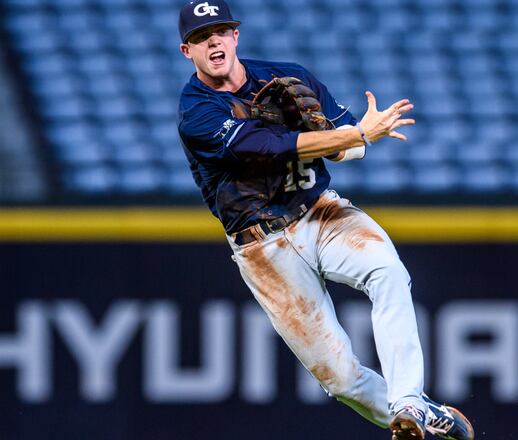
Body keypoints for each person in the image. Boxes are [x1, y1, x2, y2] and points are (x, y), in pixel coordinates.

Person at [176, 2, 474, 439]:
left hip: (320, 211)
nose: (214, 41)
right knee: (339, 378)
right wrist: (350, 135)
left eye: (221, 31)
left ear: (236, 37)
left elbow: (350, 146)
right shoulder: (196, 114)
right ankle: (426, 414)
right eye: (203, 37)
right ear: (188, 51)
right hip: (263, 247)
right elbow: (268, 147)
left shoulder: (287, 74)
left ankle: (408, 401)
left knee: (388, 271)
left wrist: (351, 137)